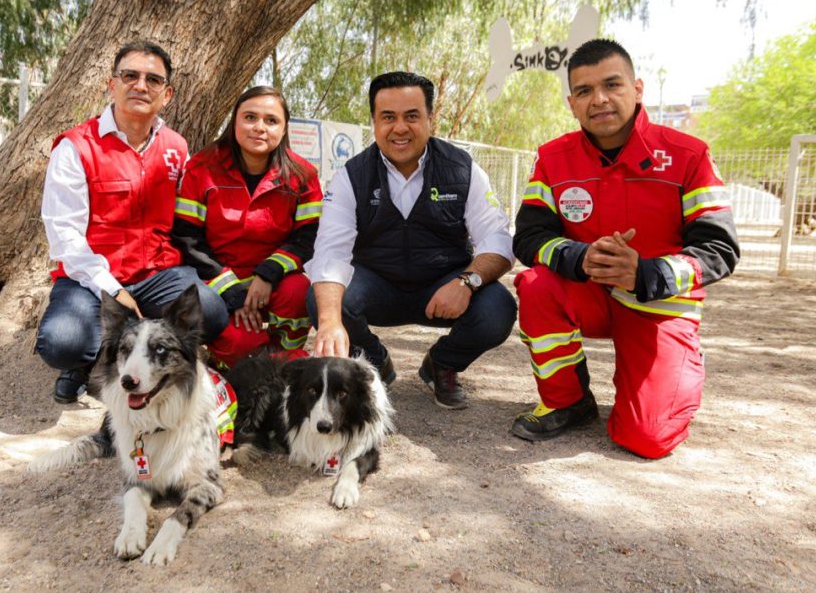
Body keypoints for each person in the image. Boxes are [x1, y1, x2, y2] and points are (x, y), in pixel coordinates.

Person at [510, 39, 739, 458]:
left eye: (612, 85)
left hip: (660, 303)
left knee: (647, 438)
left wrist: (648, 273)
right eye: (584, 91)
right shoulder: (551, 159)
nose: (599, 99)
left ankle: (677, 362)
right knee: (536, 284)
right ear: (571, 103)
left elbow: (720, 249)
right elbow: (528, 238)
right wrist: (578, 257)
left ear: (638, 89)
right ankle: (568, 401)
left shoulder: (689, 156)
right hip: (589, 291)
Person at [306, 71, 517, 410]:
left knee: (498, 308)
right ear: (374, 122)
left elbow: (498, 241)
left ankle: (442, 365)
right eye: (388, 117)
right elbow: (331, 252)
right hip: (377, 287)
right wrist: (330, 322)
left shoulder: (464, 170)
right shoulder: (350, 177)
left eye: (412, 116)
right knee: (322, 300)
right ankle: (374, 365)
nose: (400, 128)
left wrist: (467, 282)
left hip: (442, 288)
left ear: (430, 119)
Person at [36, 41, 228, 404]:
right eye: (130, 76)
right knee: (61, 343)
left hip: (159, 275)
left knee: (213, 313)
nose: (141, 85)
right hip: (90, 278)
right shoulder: (76, 147)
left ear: (167, 94)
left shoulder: (177, 148)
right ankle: (84, 360)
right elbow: (64, 235)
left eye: (153, 80)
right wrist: (114, 291)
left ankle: (157, 357)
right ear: (112, 85)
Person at [172, 86, 322, 368]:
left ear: (284, 127)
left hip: (273, 279)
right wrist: (230, 292)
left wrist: (268, 274)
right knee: (243, 349)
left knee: (299, 290)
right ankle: (249, 360)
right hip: (215, 279)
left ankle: (284, 360)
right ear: (235, 122)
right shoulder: (201, 168)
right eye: (250, 117)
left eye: (271, 120)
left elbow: (308, 236)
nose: (259, 128)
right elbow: (186, 239)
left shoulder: (303, 175)